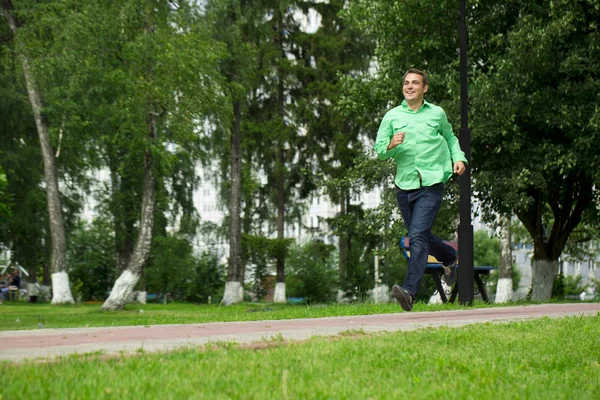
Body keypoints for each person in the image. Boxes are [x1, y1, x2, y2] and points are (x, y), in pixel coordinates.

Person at [374, 68, 467, 312]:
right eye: (406, 83)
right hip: (404, 185)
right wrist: (391, 145)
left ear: (424, 88)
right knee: (421, 237)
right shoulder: (392, 116)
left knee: (416, 237)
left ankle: (409, 292)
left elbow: (450, 138)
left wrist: (459, 158)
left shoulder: (437, 113)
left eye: (415, 83)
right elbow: (380, 150)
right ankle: (448, 256)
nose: (410, 86)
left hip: (432, 182)